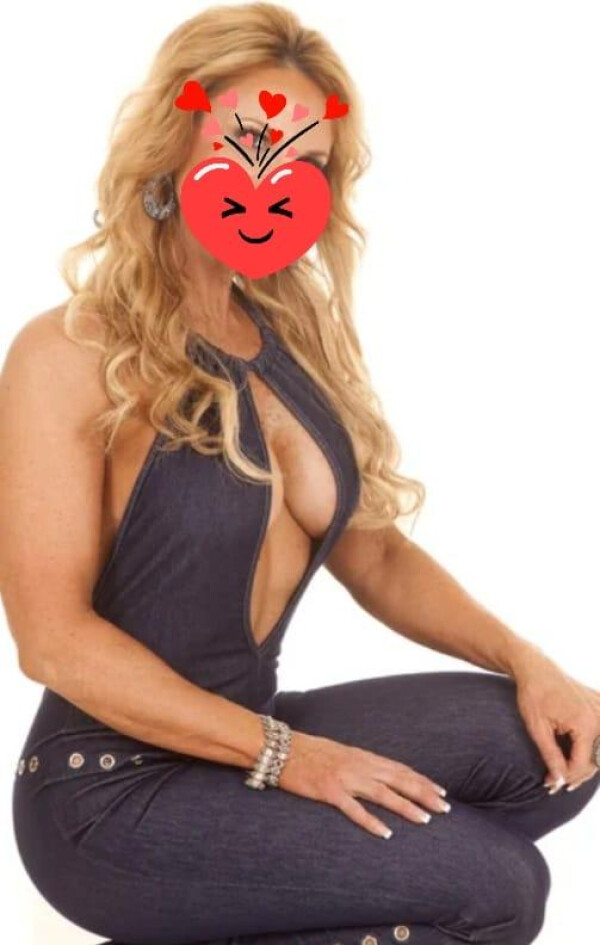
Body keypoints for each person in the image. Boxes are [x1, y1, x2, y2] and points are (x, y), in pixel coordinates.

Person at [2, 4, 599, 944]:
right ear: (174, 138)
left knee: (559, 745)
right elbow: (53, 641)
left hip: (244, 741)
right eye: (249, 144)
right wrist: (291, 759)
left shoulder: (290, 343)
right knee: (499, 887)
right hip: (108, 792)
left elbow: (379, 558)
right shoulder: (71, 352)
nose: (273, 181)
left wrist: (532, 663)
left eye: (306, 161)